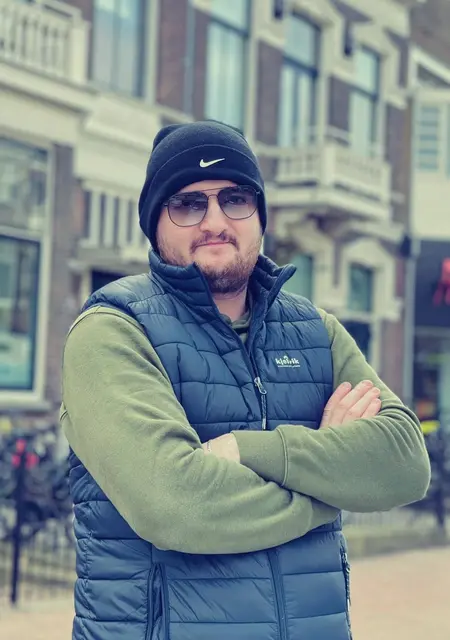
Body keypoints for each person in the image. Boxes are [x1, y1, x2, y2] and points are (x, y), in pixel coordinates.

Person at [60, 120, 431, 640]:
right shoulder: (113, 331)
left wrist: (247, 450)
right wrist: (330, 481)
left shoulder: (316, 331)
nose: (215, 221)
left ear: (259, 216)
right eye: (188, 204)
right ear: (155, 223)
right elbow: (175, 506)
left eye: (235, 199)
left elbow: (405, 463)